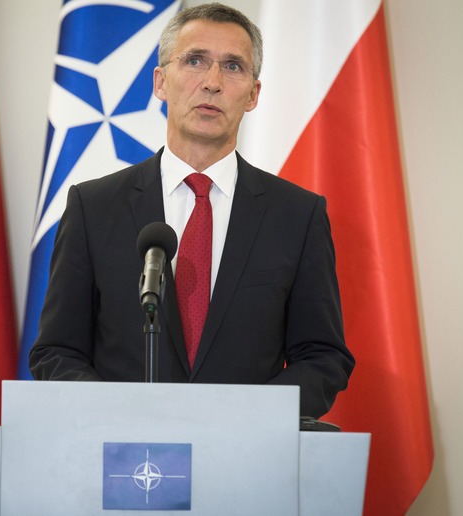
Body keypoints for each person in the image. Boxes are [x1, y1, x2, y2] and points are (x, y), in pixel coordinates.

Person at [29, 3, 354, 419]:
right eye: (195, 60)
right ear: (161, 82)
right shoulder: (93, 207)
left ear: (253, 94)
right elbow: (56, 351)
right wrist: (118, 414)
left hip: (244, 463)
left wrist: (244, 418)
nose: (213, 82)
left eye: (233, 66)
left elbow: (323, 357)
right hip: (126, 461)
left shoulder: (297, 215)